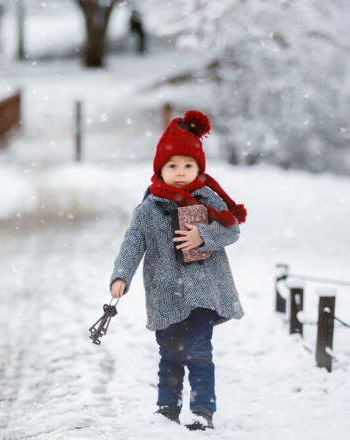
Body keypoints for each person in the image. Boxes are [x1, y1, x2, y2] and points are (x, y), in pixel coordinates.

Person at [109, 110, 246, 430]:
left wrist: (204, 235)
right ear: (160, 169)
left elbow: (232, 230)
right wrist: (120, 276)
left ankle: (202, 409)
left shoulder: (209, 199)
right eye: (173, 166)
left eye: (189, 165)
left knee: (198, 352)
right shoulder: (148, 209)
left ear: (199, 167)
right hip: (165, 293)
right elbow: (132, 244)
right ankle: (167, 406)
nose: (181, 172)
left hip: (203, 291)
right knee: (169, 354)